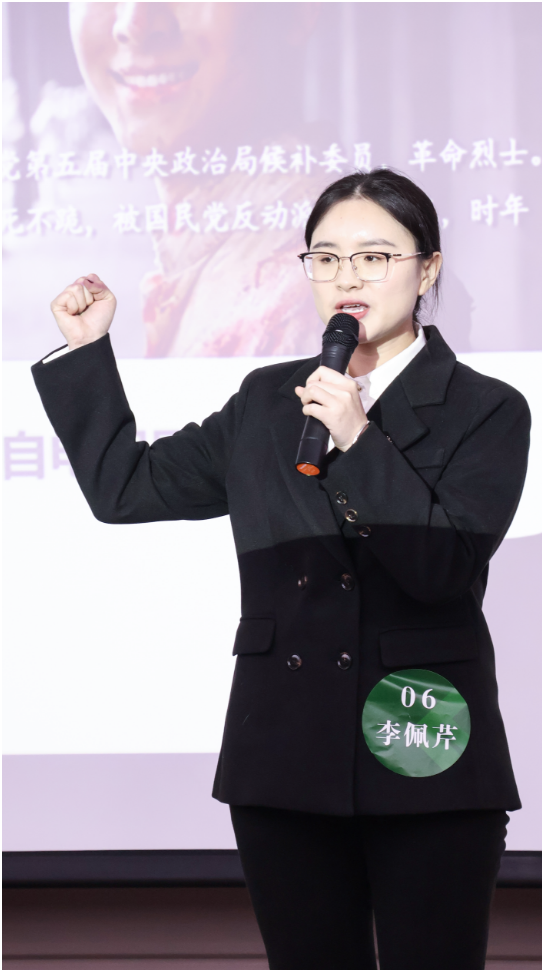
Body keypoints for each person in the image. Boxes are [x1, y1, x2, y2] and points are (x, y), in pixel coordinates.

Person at [32, 169, 530, 970]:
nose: (347, 276)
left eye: (374, 256)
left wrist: (360, 439)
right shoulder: (268, 400)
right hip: (285, 751)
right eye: (325, 258)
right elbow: (125, 488)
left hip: (423, 742)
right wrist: (88, 352)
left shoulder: (489, 407)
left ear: (427, 269)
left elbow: (442, 569)